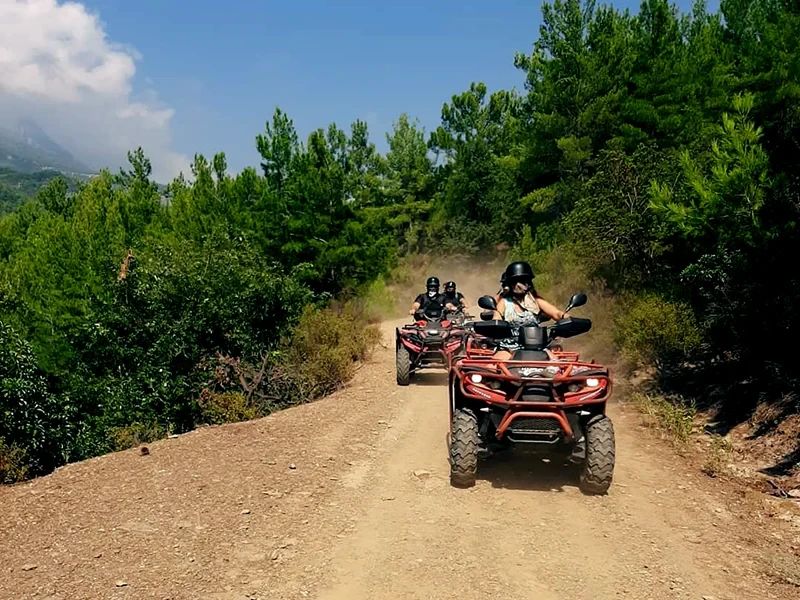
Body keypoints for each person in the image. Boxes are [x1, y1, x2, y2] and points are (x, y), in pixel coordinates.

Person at [494, 261, 564, 325]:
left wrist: (569, 319)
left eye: (526, 280)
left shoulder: (536, 301)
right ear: (510, 283)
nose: (525, 284)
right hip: (510, 338)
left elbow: (556, 313)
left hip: (535, 338)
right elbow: (496, 319)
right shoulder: (504, 303)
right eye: (520, 281)